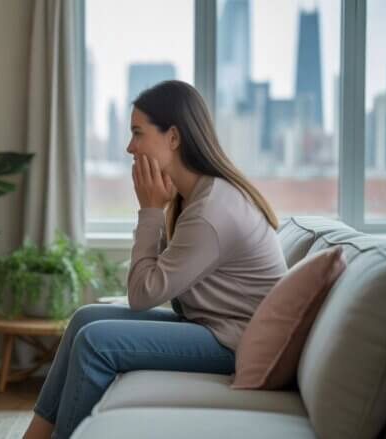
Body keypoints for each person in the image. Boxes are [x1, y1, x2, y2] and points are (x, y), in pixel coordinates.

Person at [22, 80, 288, 439]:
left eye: (137, 133)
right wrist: (159, 209)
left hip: (236, 343)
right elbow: (164, 282)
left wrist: (148, 211)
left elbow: (143, 294)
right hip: (212, 326)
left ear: (173, 137)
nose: (129, 147)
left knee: (96, 342)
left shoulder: (210, 209)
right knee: (85, 317)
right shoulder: (194, 196)